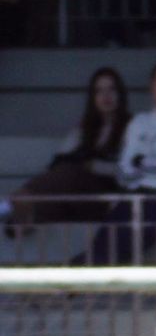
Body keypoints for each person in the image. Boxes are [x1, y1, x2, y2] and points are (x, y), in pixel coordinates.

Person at [77, 59, 156, 264]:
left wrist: (139, 160)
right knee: (104, 239)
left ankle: (72, 280)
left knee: (117, 245)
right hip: (138, 195)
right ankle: (75, 278)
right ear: (151, 84)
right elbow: (123, 173)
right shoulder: (139, 122)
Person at [5, 65, 129, 230]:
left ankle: (11, 207)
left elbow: (129, 171)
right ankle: (21, 213)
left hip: (107, 200)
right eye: (99, 91)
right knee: (66, 172)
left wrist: (93, 166)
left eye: (111, 89)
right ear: (92, 97)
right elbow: (58, 162)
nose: (106, 96)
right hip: (75, 198)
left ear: (120, 93)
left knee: (71, 173)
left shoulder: (132, 128)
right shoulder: (84, 130)